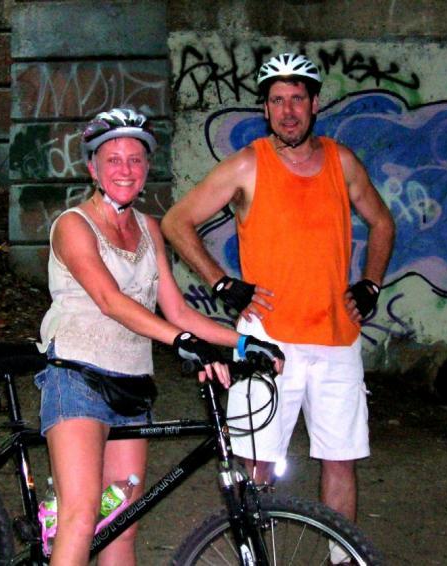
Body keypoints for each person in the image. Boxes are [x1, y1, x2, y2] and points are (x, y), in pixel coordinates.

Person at [35, 107, 284, 566]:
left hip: (131, 383)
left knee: (122, 527)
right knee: (82, 515)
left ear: (146, 168)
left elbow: (177, 311)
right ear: (92, 167)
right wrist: (180, 342)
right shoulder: (73, 225)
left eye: (135, 160)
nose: (125, 170)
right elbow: (111, 300)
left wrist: (244, 343)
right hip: (76, 378)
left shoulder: (150, 228)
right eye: (113, 160)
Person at [161, 53, 395, 523]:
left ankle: (343, 557)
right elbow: (176, 221)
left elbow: (382, 222)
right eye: (277, 101)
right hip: (268, 340)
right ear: (265, 109)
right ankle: (256, 553)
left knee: (340, 460)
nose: (288, 111)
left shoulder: (341, 162)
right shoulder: (248, 165)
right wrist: (221, 282)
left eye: (297, 99)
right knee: (257, 462)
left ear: (314, 104)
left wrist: (370, 283)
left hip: (337, 339)